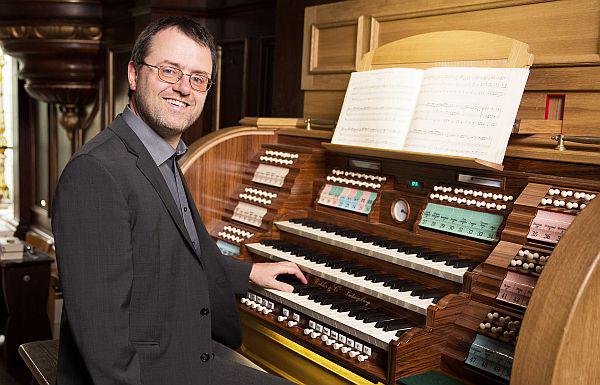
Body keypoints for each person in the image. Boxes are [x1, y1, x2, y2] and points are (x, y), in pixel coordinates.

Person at [52, 16, 306, 385]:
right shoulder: (96, 173)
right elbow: (102, 339)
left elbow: (176, 249)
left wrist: (248, 272)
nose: (184, 88)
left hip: (182, 349)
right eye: (170, 71)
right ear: (134, 74)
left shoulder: (159, 155)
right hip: (149, 370)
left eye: (197, 78)